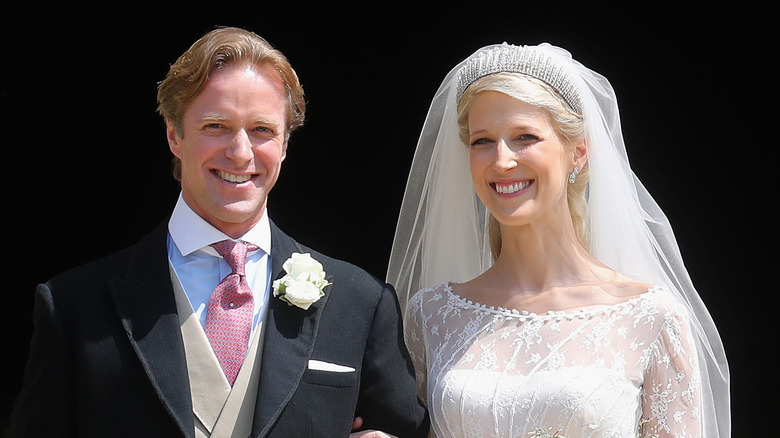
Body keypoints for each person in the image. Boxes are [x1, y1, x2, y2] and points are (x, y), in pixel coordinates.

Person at [11, 26, 428, 438]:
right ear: (174, 134)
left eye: (262, 130)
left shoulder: (361, 302)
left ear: (284, 144)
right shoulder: (74, 306)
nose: (241, 152)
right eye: (216, 126)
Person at [387, 42, 730, 437]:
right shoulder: (432, 314)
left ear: (578, 153)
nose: (501, 160)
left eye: (525, 137)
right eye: (483, 141)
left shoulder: (650, 317)